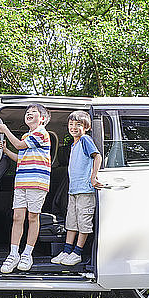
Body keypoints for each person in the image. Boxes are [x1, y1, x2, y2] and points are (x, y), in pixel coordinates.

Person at [0, 104, 51, 273]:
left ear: (42, 118)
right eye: (27, 113)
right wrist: (6, 150)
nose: (28, 114)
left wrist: (5, 129)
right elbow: (20, 158)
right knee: (17, 217)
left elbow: (20, 146)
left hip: (37, 182)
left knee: (33, 218)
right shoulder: (27, 135)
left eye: (32, 113)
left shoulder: (41, 133)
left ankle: (27, 253)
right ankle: (13, 254)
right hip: (21, 182)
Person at [51, 110, 103, 266]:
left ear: (86, 127)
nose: (73, 127)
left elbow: (97, 156)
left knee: (83, 222)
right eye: (71, 124)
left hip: (85, 190)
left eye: (78, 125)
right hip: (73, 191)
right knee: (71, 223)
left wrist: (93, 177)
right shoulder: (74, 145)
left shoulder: (85, 140)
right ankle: (67, 251)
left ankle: (77, 252)